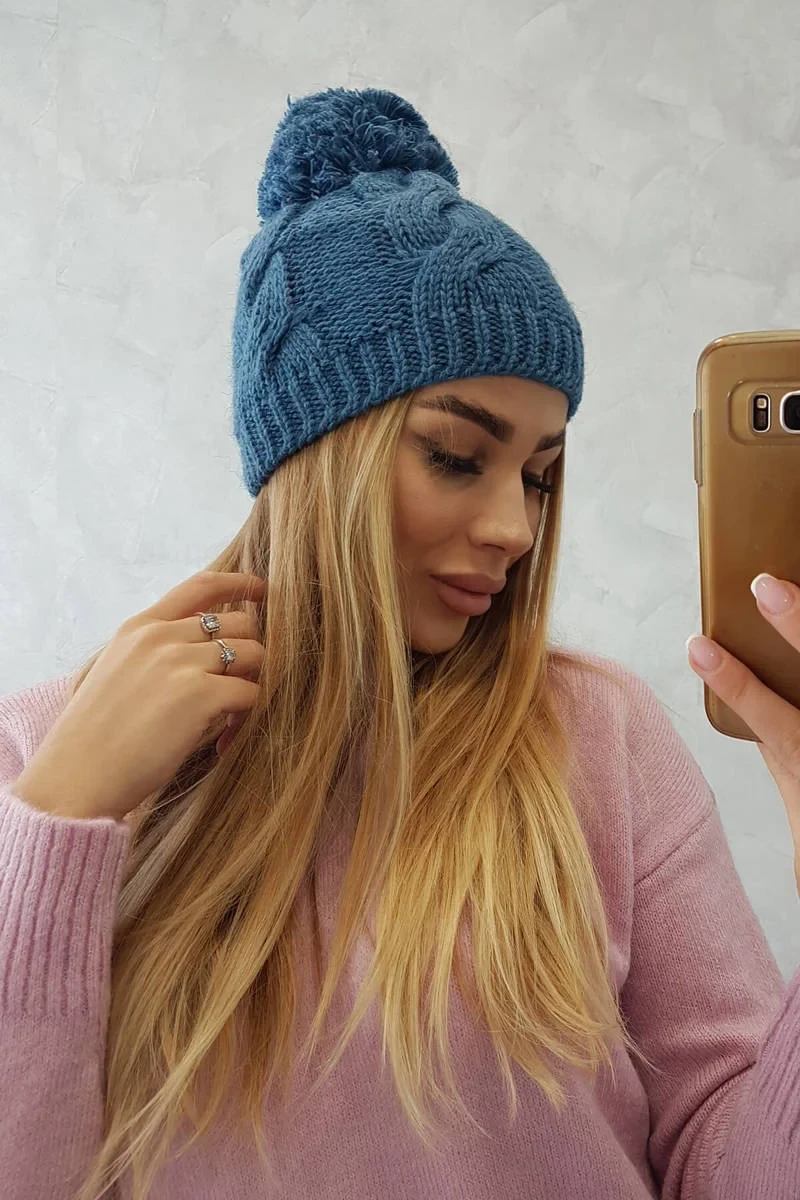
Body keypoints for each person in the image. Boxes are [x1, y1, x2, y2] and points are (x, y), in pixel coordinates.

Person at [1, 86, 799, 1200]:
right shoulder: (40, 757)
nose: (516, 530)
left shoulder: (600, 737)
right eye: (456, 457)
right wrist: (61, 821)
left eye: (538, 475)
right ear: (314, 454)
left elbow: (730, 1162)